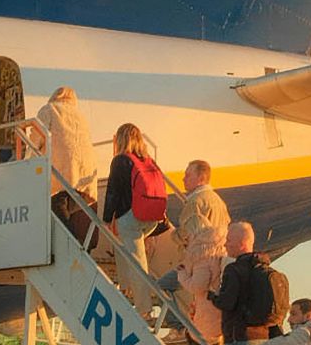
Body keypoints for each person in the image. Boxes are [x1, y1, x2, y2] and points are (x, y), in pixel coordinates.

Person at [102, 123, 168, 314]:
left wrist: (107, 219)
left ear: (121, 139)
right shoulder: (147, 160)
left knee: (137, 261)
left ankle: (143, 307)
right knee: (124, 249)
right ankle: (125, 288)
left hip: (130, 218)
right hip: (151, 217)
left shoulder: (120, 160)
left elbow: (112, 192)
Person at [157, 160, 231, 320]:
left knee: (161, 286)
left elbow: (185, 233)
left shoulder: (195, 202)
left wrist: (172, 234)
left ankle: (177, 325)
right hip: (216, 259)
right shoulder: (219, 201)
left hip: (196, 259)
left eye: (188, 175)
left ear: (201, 178)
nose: (183, 179)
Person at [36, 87, 98, 247]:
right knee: (64, 210)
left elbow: (36, 138)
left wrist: (25, 160)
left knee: (57, 205)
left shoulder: (48, 110)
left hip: (61, 172)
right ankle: (75, 247)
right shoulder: (81, 116)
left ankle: (71, 247)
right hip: (84, 175)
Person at [174, 224, 229, 345]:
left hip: (207, 309)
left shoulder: (204, 259)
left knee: (201, 342)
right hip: (217, 310)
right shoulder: (221, 256)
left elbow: (198, 286)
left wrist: (182, 276)